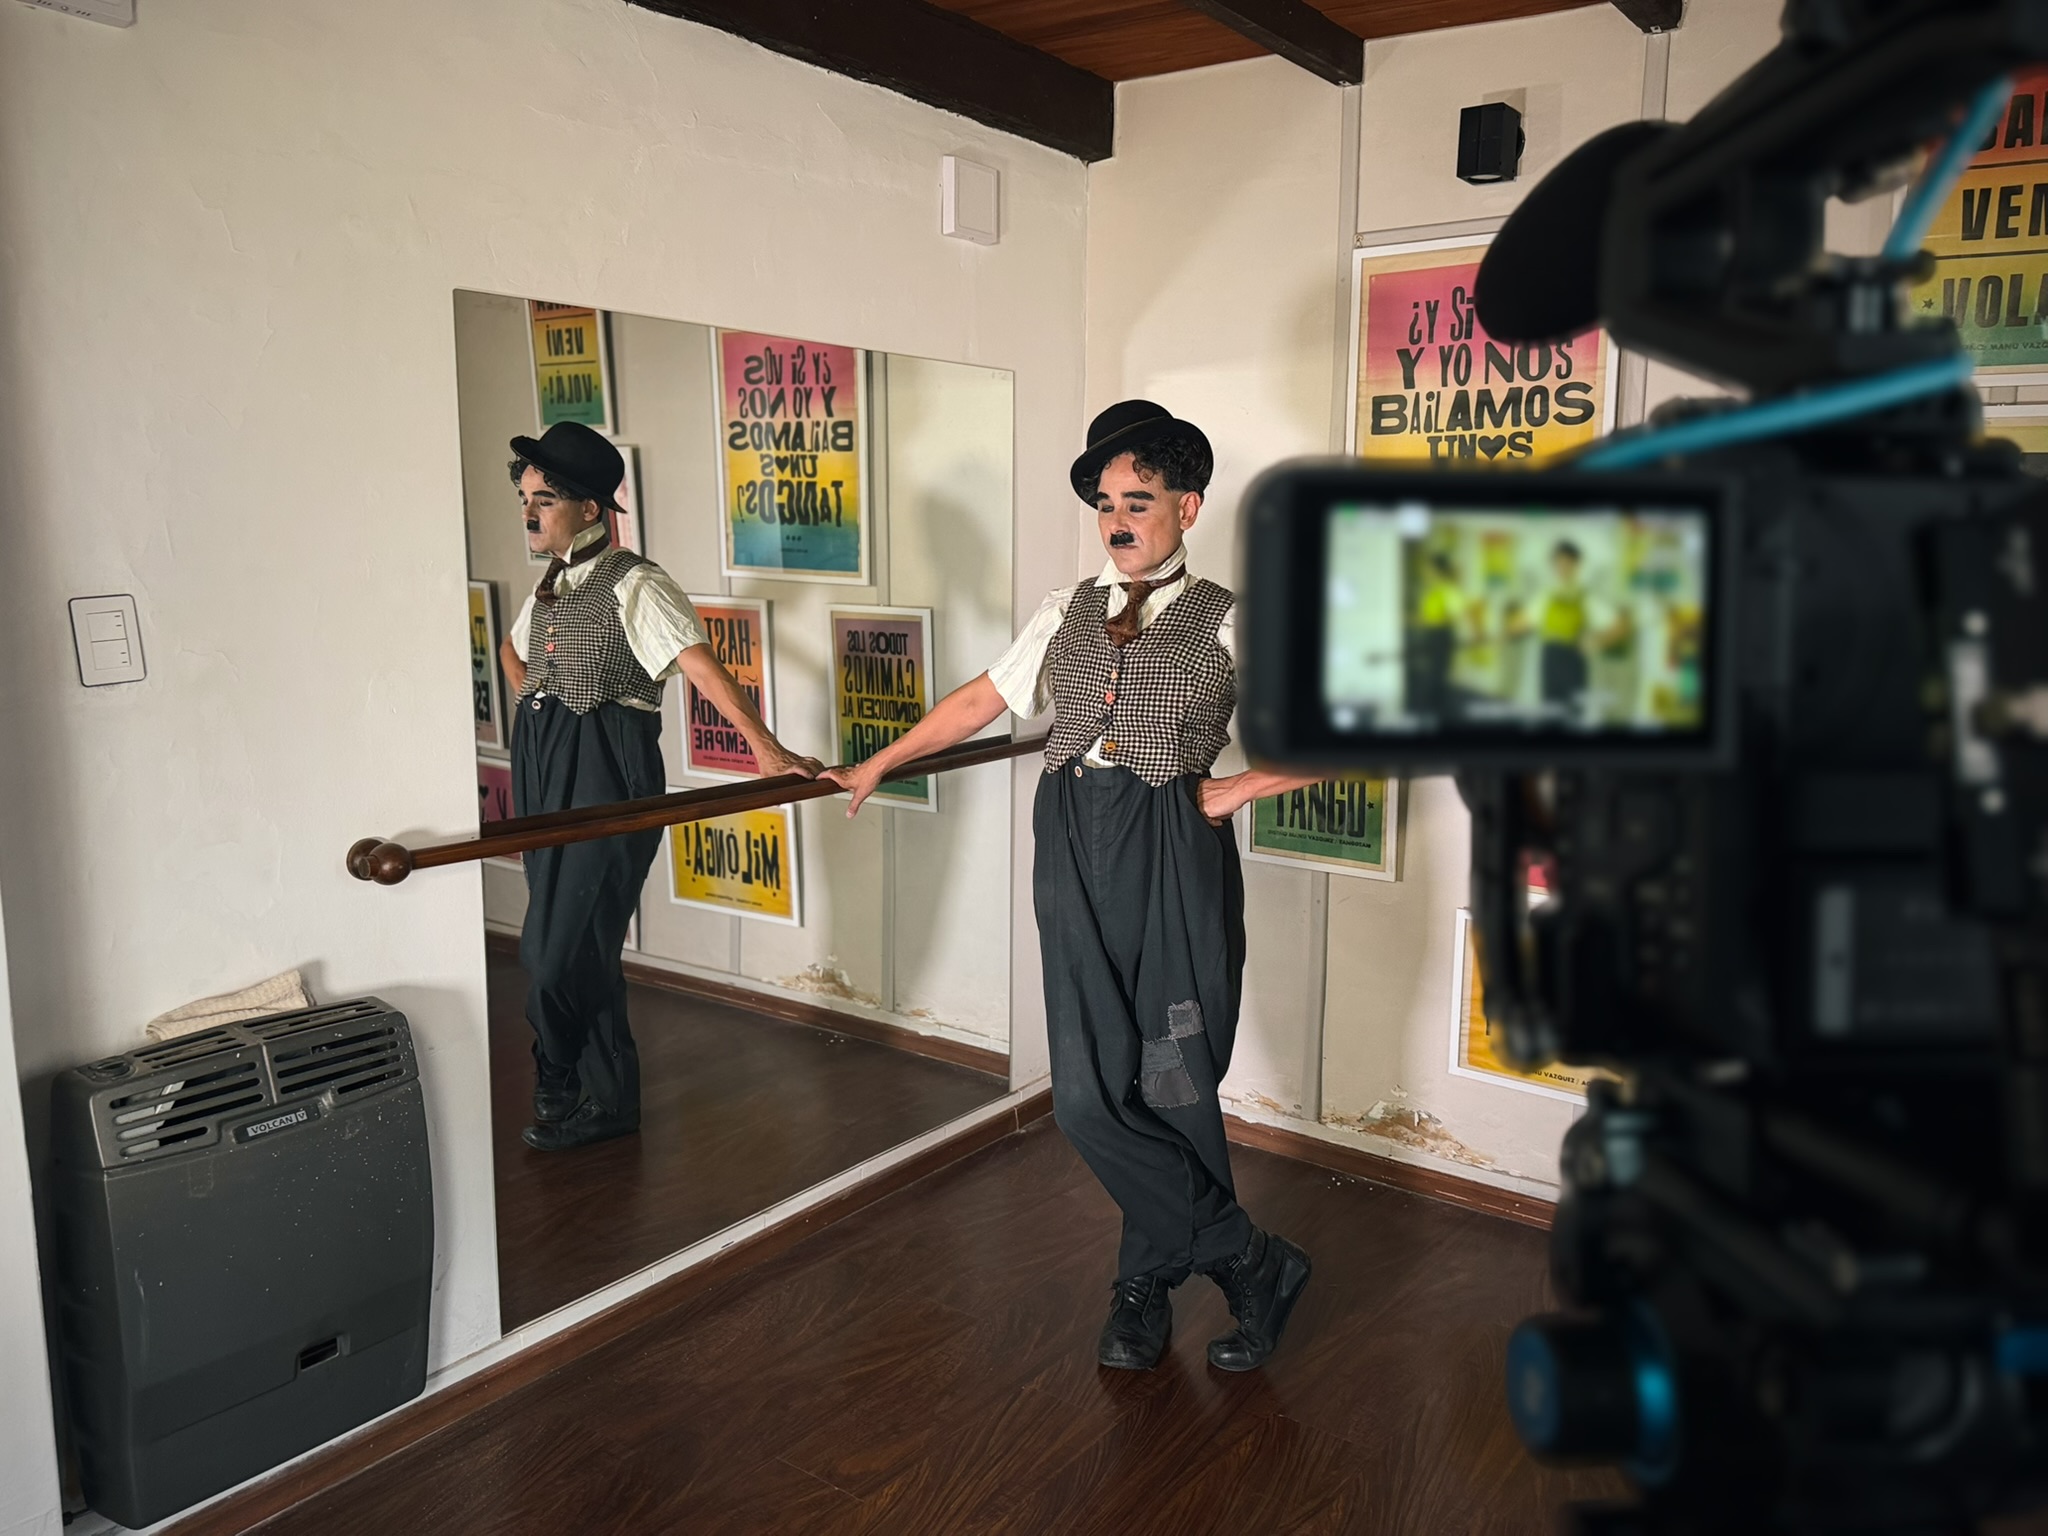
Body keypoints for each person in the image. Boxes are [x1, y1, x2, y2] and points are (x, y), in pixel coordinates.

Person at [825, 400, 1323, 1374]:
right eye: (1104, 504)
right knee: (1086, 1096)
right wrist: (883, 760)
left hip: (1168, 844)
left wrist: (1228, 790)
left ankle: (1143, 1280)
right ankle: (1246, 1259)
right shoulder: (1064, 610)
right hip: (1066, 834)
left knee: (1171, 1079)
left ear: (1189, 505)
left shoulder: (1232, 619)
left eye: (1138, 500)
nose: (1117, 521)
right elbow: (983, 697)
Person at [496, 421, 821, 1152]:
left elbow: (702, 666)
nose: (529, 513)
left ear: (591, 508)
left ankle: (558, 1076)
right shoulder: (550, 586)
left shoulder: (636, 583)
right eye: (525, 498)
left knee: (554, 953)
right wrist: (534, 706)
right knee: (575, 943)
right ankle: (604, 1100)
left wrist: (766, 750)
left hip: (605, 766)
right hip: (545, 764)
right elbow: (513, 652)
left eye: (544, 499)